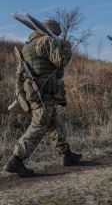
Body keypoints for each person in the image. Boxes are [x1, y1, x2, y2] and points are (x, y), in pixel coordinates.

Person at [3, 20, 82, 177]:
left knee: (53, 122)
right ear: (53, 31)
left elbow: (19, 74)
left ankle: (66, 154)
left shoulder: (27, 47)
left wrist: (20, 93)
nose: (58, 37)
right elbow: (61, 61)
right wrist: (66, 47)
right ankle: (15, 159)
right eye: (57, 34)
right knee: (39, 125)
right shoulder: (48, 40)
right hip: (45, 90)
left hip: (35, 90)